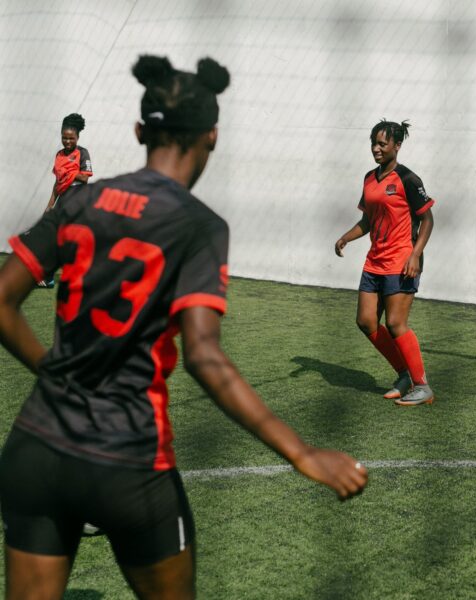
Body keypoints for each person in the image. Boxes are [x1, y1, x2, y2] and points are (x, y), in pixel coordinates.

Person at [0, 55, 367, 599]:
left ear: (140, 131)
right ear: (212, 137)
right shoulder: (198, 226)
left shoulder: (81, 200)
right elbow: (204, 355)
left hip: (36, 447)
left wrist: (52, 368)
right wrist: (301, 451)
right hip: (127, 458)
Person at [334, 119, 436, 406]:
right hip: (374, 262)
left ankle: (422, 385)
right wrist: (346, 237)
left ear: (397, 146)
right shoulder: (369, 178)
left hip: (402, 261)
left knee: (395, 323)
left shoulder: (408, 180)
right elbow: (367, 221)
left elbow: (427, 219)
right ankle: (404, 374)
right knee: (366, 322)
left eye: (382, 144)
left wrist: (415, 254)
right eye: (373, 143)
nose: (376, 149)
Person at [38, 113, 93, 287]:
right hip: (63, 199)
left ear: (77, 137)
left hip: (78, 199)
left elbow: (85, 178)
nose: (67, 141)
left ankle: (85, 278)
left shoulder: (82, 153)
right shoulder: (59, 155)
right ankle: (49, 278)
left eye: (71, 138)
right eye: (64, 138)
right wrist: (49, 205)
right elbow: (57, 182)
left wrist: (70, 172)